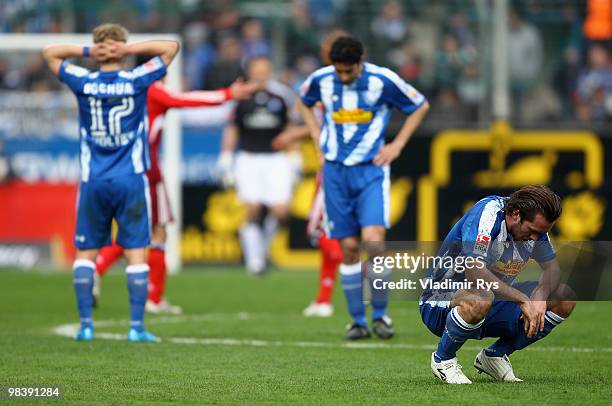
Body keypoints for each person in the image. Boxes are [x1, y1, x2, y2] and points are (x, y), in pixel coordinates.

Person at [43, 23, 179, 342]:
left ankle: (86, 326)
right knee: (135, 253)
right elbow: (171, 46)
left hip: (94, 180)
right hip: (130, 179)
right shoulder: (137, 80)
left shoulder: (84, 81)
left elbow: (49, 53)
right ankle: (136, 328)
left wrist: (90, 52)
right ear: (121, 46)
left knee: (86, 253)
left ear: (97, 47)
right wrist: (128, 50)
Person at [298, 36, 430, 339]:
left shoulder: (382, 80)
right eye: (338, 71)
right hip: (334, 173)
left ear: (361, 61)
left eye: (349, 71)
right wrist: (317, 136)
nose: (343, 77)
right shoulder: (320, 79)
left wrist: (397, 144)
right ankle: (357, 321)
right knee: (348, 249)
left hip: (371, 171)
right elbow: (303, 101)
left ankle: (381, 316)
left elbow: (420, 106)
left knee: (375, 243)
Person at [94, 77, 257, 314]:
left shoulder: (121, 88)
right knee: (150, 231)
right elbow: (184, 100)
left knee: (147, 229)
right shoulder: (152, 89)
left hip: (118, 166)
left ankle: (146, 294)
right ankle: (106, 275)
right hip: (146, 169)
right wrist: (227, 94)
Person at [421, 185, 576, 384]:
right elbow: (475, 272)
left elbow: (552, 269)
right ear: (515, 214)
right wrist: (522, 298)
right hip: (441, 302)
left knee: (564, 297)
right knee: (481, 297)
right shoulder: (487, 215)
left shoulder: (536, 228)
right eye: (532, 231)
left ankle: (494, 356)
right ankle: (443, 359)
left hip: (493, 301)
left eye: (541, 233)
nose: (535, 239)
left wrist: (540, 295)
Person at [219, 56, 300, 275]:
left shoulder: (282, 94)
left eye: (265, 69)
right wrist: (226, 156)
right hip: (249, 157)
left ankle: (262, 249)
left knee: (281, 210)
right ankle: (254, 261)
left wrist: (295, 155)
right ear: (251, 71)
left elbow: (290, 126)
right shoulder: (241, 95)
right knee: (252, 208)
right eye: (257, 69)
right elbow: (232, 127)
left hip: (276, 159)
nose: (261, 73)